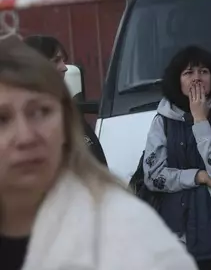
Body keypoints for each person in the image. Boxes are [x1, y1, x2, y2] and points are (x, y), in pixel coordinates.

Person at [0, 36, 198, 270]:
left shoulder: (125, 227)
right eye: (2, 119)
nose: (25, 136)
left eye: (41, 111)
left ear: (66, 122)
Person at [142, 45, 211, 270]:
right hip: (178, 238)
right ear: (177, 80)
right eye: (188, 73)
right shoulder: (163, 119)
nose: (197, 79)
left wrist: (200, 119)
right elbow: (154, 176)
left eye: (203, 72)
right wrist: (200, 176)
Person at [23, 34, 108, 166]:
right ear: (38, 65)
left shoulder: (66, 109)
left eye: (63, 60)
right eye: (56, 60)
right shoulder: (31, 118)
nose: (65, 67)